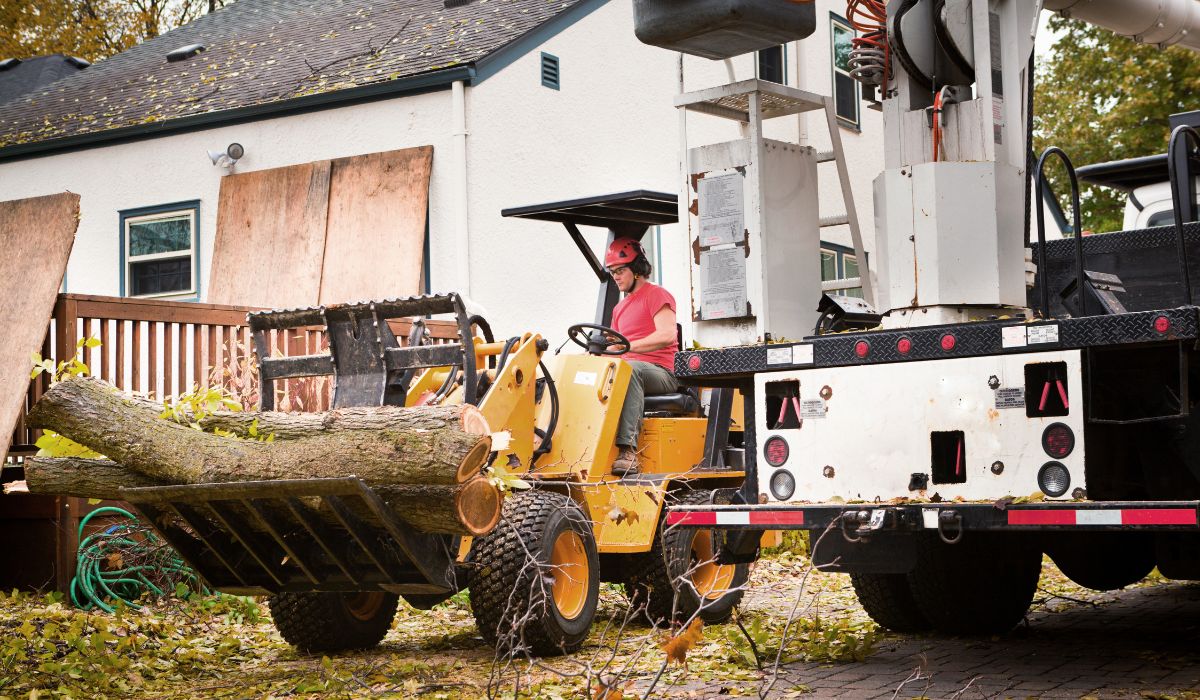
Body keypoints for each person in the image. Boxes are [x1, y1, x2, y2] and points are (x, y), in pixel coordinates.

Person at [603, 237, 681, 476]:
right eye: (612, 272)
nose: (616, 276)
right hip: (630, 369)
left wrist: (628, 349)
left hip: (663, 372)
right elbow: (616, 346)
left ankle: (627, 450)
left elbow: (667, 334)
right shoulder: (619, 308)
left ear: (636, 270)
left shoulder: (657, 295)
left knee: (630, 370)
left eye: (620, 271)